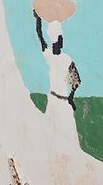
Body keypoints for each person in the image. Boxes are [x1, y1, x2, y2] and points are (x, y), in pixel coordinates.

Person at [34, 10, 81, 140]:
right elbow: (40, 36)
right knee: (53, 134)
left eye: (58, 42)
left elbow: (76, 81)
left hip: (62, 101)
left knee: (66, 135)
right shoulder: (52, 56)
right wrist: (38, 19)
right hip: (55, 99)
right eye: (56, 42)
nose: (56, 44)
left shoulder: (65, 59)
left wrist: (70, 97)